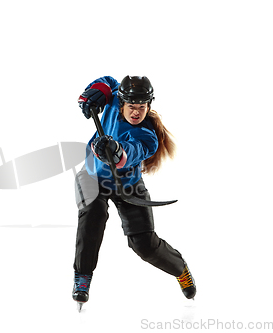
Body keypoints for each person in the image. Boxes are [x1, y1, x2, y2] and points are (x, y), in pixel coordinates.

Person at [72, 75, 196, 309]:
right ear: (122, 102)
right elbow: (107, 80)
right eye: (132, 107)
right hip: (92, 177)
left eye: (142, 107)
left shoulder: (147, 135)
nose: (136, 112)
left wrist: (116, 151)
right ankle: (83, 277)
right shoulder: (112, 100)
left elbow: (134, 150)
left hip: (128, 186)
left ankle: (180, 268)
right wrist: (96, 90)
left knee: (144, 245)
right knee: (92, 215)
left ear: (149, 105)